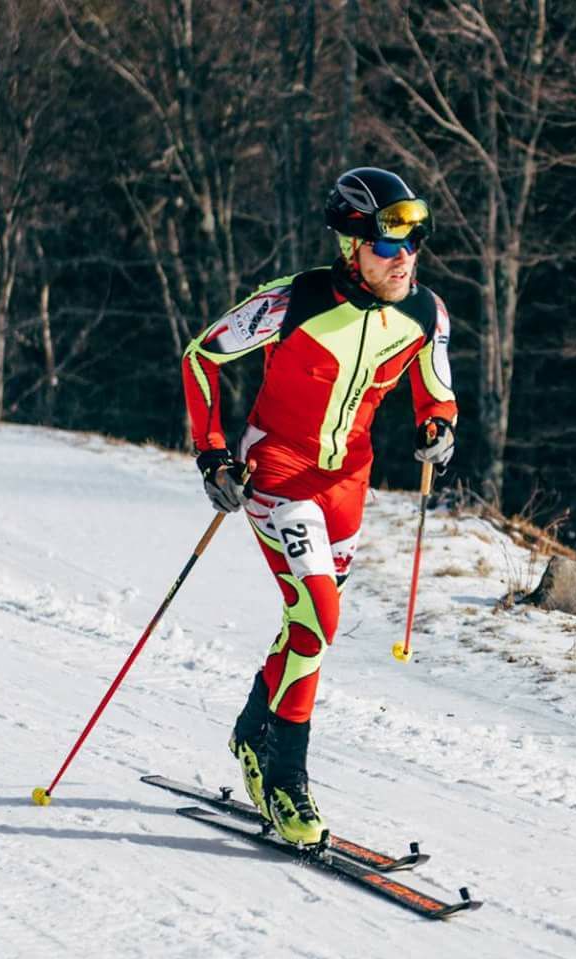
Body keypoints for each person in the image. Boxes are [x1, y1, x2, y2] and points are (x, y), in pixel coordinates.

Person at [180, 167, 458, 845]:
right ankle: (285, 782)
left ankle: (251, 734)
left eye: (413, 243)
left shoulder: (425, 311)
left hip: (347, 485)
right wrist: (214, 453)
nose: (405, 258)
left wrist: (438, 426)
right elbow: (200, 358)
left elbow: (436, 388)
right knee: (319, 614)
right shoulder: (292, 301)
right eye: (389, 245)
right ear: (351, 245)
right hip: (277, 469)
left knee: (307, 629)